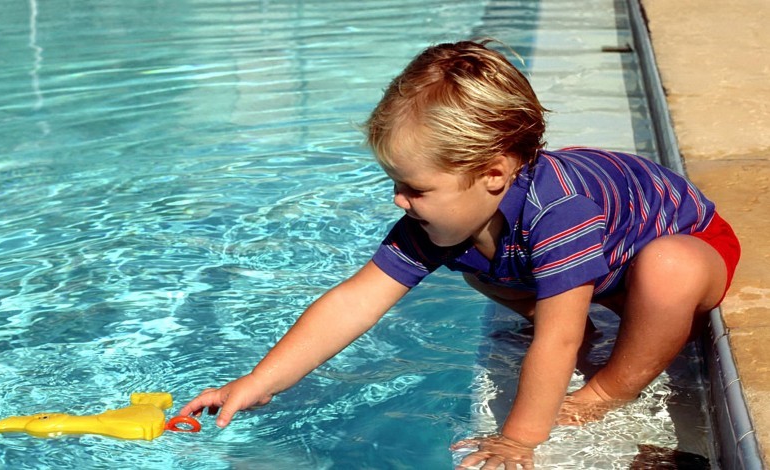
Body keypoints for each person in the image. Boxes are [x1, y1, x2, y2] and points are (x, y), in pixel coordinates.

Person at [179, 40, 740, 468]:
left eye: (415, 188)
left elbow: (558, 339)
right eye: (396, 182)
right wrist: (256, 383)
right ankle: (576, 302)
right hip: (600, 263)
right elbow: (354, 302)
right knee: (476, 255)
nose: (398, 199)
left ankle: (611, 387)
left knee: (669, 269)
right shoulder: (446, 217)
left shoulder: (561, 212)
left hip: (681, 248)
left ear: (493, 174)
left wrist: (518, 439)